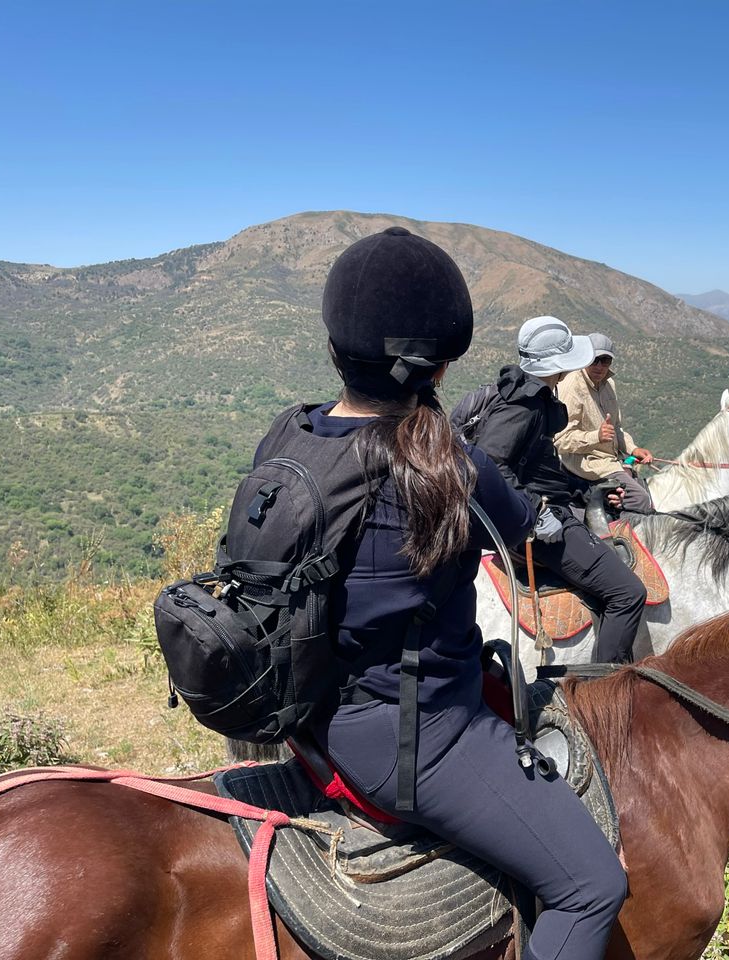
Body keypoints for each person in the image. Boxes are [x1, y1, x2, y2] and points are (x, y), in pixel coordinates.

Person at [260, 227, 626, 960]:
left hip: (307, 708)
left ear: (336, 348)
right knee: (592, 887)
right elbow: (529, 531)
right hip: (418, 741)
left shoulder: (288, 434)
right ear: (444, 362)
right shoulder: (444, 461)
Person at [475, 317, 649, 663]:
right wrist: (535, 512)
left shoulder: (524, 392)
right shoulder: (526, 406)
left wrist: (589, 491)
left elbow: (544, 470)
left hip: (542, 511)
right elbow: (489, 462)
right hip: (539, 526)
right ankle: (604, 690)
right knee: (628, 592)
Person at [555, 333, 655, 514]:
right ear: (585, 358)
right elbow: (560, 440)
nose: (600, 366)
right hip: (589, 465)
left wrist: (634, 450)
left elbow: (616, 429)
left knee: (647, 488)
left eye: (605, 360)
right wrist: (596, 437)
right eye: (595, 360)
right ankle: (621, 540)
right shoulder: (572, 385)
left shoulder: (609, 384)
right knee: (642, 501)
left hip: (610, 461)